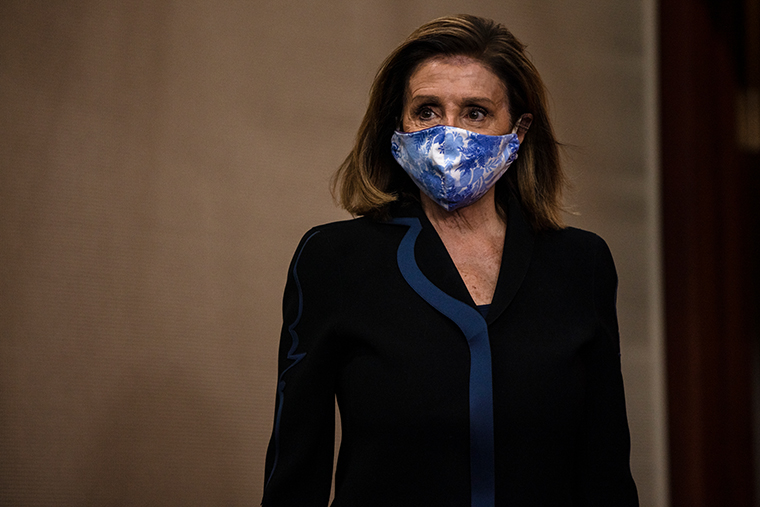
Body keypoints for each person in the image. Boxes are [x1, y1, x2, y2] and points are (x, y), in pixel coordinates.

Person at [262, 14, 639, 507]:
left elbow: (605, 469)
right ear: (397, 126)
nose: (448, 132)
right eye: (427, 111)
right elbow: (296, 469)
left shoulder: (580, 263)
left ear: (519, 130)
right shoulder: (335, 260)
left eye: (476, 112)